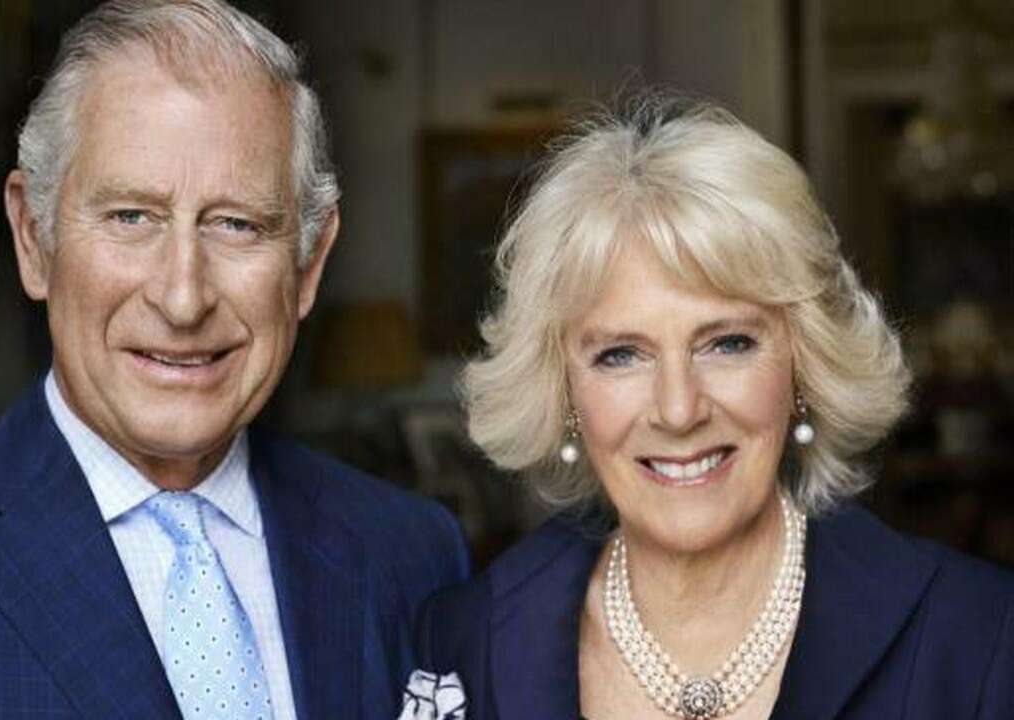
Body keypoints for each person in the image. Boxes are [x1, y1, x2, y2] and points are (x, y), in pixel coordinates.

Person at [0, 1, 468, 718]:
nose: (183, 298)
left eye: (237, 224)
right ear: (33, 237)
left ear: (308, 263)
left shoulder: (413, 557)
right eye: (130, 216)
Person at [399, 96, 1014, 720]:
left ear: (804, 365)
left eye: (728, 343)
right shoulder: (465, 643)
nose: (678, 409)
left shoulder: (979, 637)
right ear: (563, 392)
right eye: (620, 355)